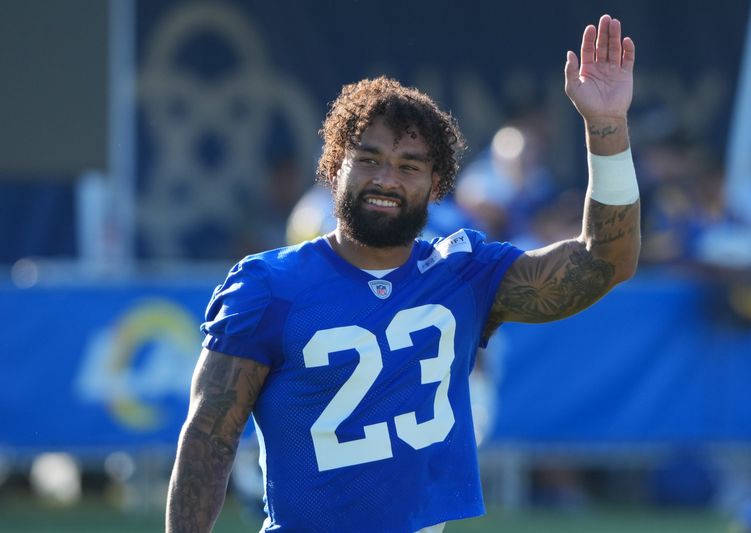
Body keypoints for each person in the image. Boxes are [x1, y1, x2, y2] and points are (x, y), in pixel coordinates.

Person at [166, 14, 640, 533]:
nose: (386, 179)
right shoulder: (267, 286)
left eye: (409, 166)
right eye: (368, 159)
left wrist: (607, 127)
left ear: (437, 184)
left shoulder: (462, 273)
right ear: (333, 167)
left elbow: (604, 262)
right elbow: (209, 438)